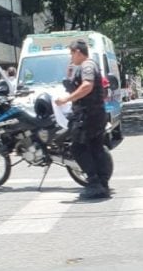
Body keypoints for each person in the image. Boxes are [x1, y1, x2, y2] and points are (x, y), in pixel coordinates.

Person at [56, 39, 111, 200]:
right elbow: (77, 85)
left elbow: (87, 86)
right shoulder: (85, 66)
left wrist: (66, 100)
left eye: (71, 53)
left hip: (88, 115)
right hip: (95, 114)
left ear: (78, 52)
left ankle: (94, 183)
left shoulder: (87, 65)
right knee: (95, 149)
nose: (70, 57)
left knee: (78, 149)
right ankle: (102, 184)